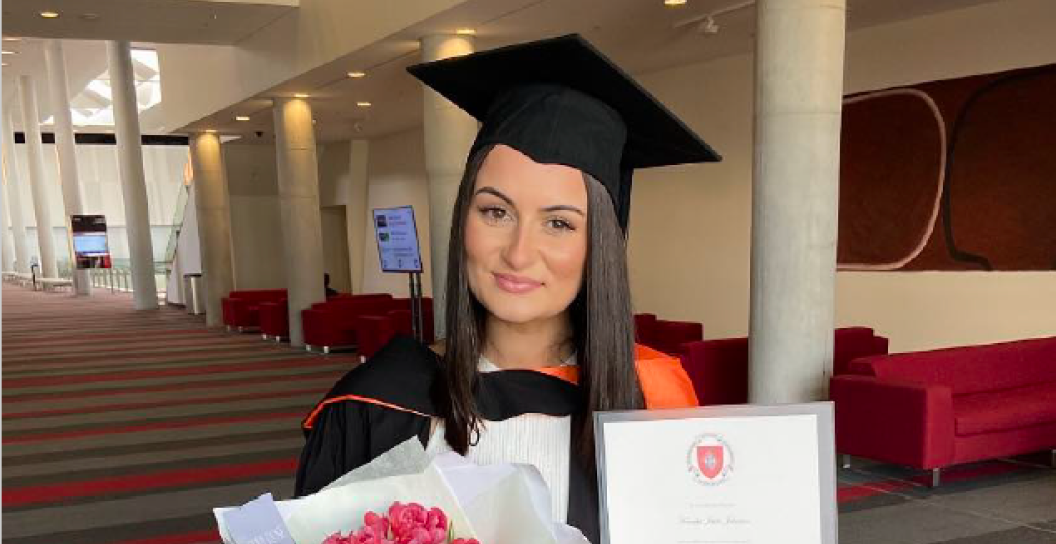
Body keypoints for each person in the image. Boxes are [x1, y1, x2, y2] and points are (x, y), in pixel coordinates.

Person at [294, 34, 720, 542]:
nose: (518, 253)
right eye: (495, 211)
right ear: (463, 219)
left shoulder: (653, 401)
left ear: (600, 245)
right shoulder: (376, 408)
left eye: (559, 223)